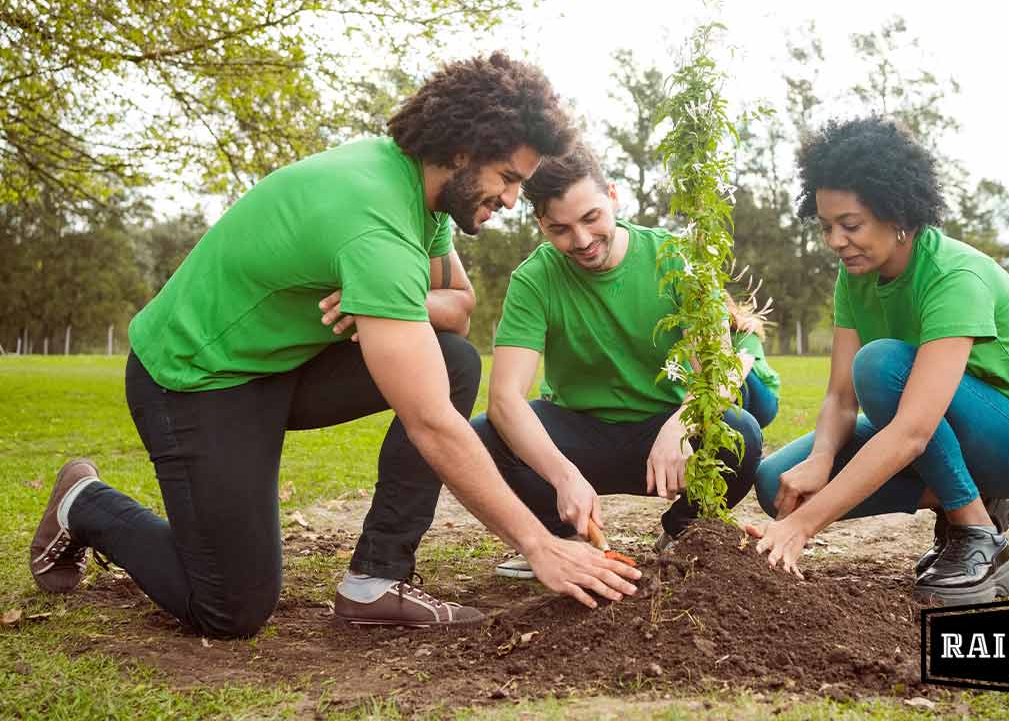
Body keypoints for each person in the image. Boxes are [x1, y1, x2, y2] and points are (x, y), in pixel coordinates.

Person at [28, 53, 640, 638]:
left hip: (280, 367)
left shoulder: (418, 190)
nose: (511, 201)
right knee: (230, 606)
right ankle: (86, 503)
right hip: (194, 382)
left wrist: (395, 303)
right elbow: (429, 422)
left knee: (452, 360)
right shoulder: (375, 224)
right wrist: (538, 545)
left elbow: (459, 308)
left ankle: (377, 580)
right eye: (508, 179)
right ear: (461, 151)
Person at [752, 117, 1009, 606]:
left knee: (880, 366)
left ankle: (977, 534)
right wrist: (821, 460)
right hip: (938, 425)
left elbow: (912, 431)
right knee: (775, 478)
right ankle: (970, 499)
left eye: (850, 226)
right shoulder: (855, 276)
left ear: (897, 214)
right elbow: (840, 398)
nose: (835, 242)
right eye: (826, 227)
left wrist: (803, 526)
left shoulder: (954, 275)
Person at [472, 142, 763, 578]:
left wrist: (682, 424)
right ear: (540, 225)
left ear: (612, 195)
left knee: (739, 433)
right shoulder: (535, 279)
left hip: (663, 432)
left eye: (591, 218)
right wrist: (563, 474)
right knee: (485, 436)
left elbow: (720, 374)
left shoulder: (678, 259)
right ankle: (560, 540)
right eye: (561, 230)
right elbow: (505, 400)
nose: (583, 241)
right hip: (579, 433)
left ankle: (684, 534)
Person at [725, 291, 782, 429]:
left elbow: (740, 372)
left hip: (764, 401)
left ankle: (739, 428)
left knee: (736, 375)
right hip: (738, 393)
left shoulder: (746, 332)